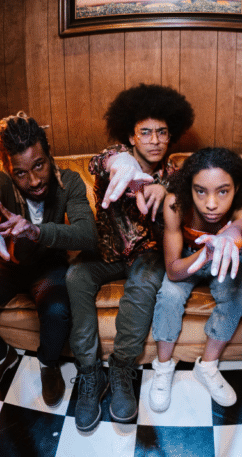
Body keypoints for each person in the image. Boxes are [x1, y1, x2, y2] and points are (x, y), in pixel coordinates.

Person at [66, 84, 195, 432]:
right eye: (146, 132)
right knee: (75, 276)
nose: (154, 140)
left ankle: (122, 367)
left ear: (171, 137)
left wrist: (165, 192)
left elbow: (186, 212)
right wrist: (120, 162)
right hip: (104, 252)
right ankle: (90, 372)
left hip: (145, 257)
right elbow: (101, 161)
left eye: (162, 132)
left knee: (147, 280)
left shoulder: (175, 175)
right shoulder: (117, 156)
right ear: (132, 136)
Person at [0, 112, 96, 407]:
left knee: (56, 311)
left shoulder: (69, 182)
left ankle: (48, 364)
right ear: (8, 170)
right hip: (9, 265)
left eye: (39, 165)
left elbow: (87, 234)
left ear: (49, 156)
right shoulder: (0, 181)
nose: (35, 179)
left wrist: (36, 231)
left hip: (48, 267)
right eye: (21, 173)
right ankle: (4, 357)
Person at [149, 148, 242, 412]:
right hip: (190, 257)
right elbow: (174, 270)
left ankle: (207, 366)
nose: (211, 203)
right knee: (169, 296)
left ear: (236, 189)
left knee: (235, 298)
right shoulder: (174, 203)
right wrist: (206, 251)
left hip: (225, 256)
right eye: (201, 191)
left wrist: (227, 237)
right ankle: (163, 367)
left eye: (223, 191)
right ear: (189, 188)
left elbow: (241, 226)